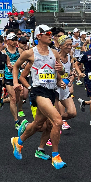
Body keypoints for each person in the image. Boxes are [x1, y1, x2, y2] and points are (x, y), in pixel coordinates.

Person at [10, 24, 67, 169]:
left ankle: (19, 141)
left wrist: (60, 76)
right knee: (57, 121)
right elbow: (16, 66)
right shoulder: (30, 53)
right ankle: (56, 156)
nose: (50, 35)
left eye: (51, 33)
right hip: (38, 91)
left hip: (51, 91)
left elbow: (59, 73)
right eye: (47, 33)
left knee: (38, 124)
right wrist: (16, 82)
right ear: (38, 36)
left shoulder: (54, 53)